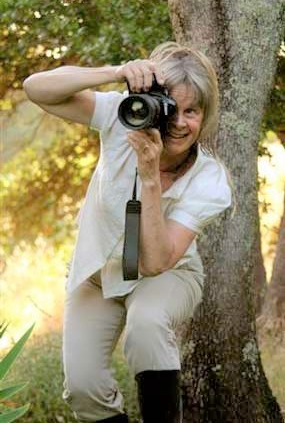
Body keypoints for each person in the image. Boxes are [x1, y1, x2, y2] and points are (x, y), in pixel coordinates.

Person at [23, 41, 232, 423]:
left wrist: (150, 177)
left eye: (192, 111)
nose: (179, 122)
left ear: (205, 116)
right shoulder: (121, 120)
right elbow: (37, 88)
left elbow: (154, 263)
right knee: (84, 388)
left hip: (167, 277)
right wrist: (117, 72)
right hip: (98, 274)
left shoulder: (210, 182)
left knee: (147, 325)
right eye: (170, 107)